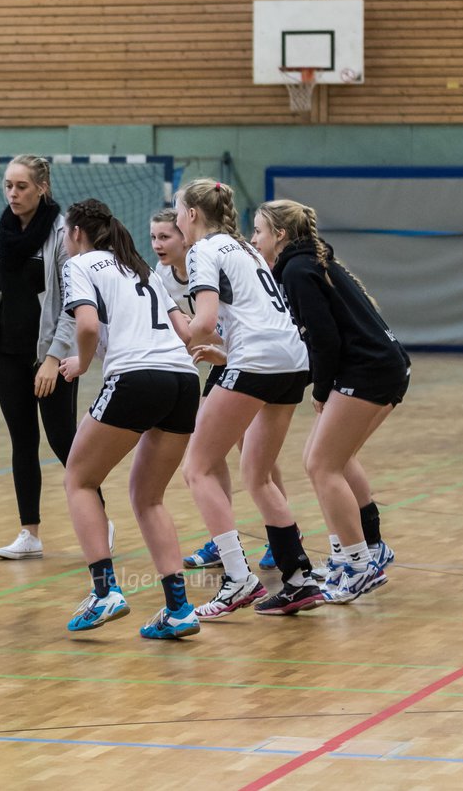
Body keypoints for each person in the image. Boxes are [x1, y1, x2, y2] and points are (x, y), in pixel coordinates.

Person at [177, 179, 323, 618]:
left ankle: (239, 579)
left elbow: (201, 323)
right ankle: (299, 578)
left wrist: (166, 325)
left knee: (198, 468)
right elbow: (239, 322)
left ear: (192, 215)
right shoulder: (245, 249)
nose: (178, 219)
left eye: (178, 211)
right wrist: (223, 347)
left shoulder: (203, 251)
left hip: (258, 361)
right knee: (257, 475)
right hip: (293, 360)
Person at [56, 200, 202, 639]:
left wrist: (81, 363)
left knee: (78, 478)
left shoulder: (80, 264)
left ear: (77, 232)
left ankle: (105, 593)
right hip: (183, 379)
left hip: (137, 378)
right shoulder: (142, 268)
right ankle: (178, 610)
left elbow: (84, 326)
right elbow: (187, 331)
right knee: (148, 496)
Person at [254, 199, 405, 602]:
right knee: (324, 460)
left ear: (280, 235)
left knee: (323, 465)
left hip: (368, 371)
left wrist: (321, 390)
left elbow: (324, 339)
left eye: (258, 232)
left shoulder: (299, 270)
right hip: (382, 367)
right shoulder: (307, 264)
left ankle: (359, 568)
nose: (254, 240)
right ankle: (358, 552)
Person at [0, 155, 110, 560]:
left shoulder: (61, 235)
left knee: (63, 439)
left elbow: (73, 304)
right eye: (8, 186)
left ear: (42, 187)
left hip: (51, 357)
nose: (13, 194)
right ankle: (28, 533)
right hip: (7, 355)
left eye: (22, 186)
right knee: (22, 440)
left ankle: (100, 518)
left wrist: (53, 358)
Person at [152, 207, 290, 574]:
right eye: (153, 238)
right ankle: (221, 537)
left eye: (166, 236)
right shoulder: (163, 277)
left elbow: (209, 323)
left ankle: (278, 539)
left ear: (186, 231)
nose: (158, 245)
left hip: (245, 355)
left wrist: (187, 333)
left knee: (252, 450)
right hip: (220, 358)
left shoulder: (211, 255)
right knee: (211, 453)